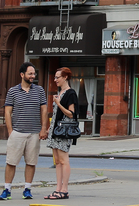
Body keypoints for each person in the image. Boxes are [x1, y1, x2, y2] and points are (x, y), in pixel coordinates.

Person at [0, 62, 48, 200]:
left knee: (31, 162)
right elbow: (7, 112)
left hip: (34, 133)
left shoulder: (39, 90)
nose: (33, 76)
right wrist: (10, 131)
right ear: (22, 75)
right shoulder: (13, 91)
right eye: (30, 73)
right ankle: (7, 190)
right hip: (17, 132)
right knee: (11, 162)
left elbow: (44, 110)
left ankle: (27, 189)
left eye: (34, 73)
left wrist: (43, 128)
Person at [44, 67, 78, 200]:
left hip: (64, 131)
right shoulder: (61, 92)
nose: (55, 80)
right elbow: (55, 114)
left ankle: (65, 189)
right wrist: (49, 129)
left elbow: (71, 114)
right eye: (55, 77)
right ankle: (58, 189)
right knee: (57, 161)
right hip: (55, 130)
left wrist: (58, 103)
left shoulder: (70, 93)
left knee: (64, 160)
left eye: (57, 77)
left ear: (65, 77)